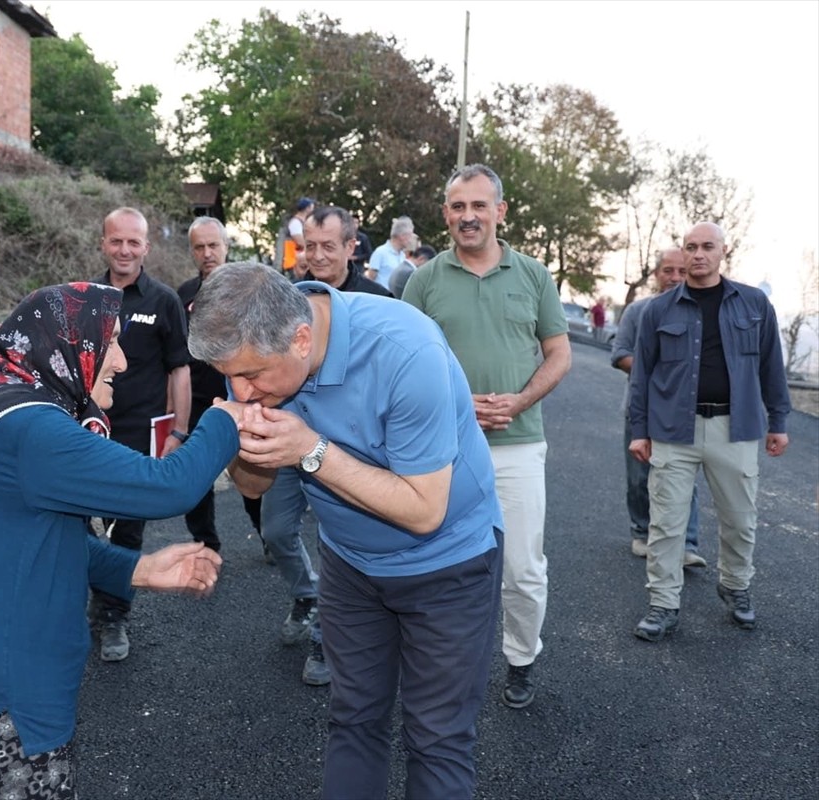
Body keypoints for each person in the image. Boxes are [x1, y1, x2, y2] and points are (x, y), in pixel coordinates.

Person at [0, 282, 240, 800]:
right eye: (112, 343)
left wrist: (136, 570)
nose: (122, 361)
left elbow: (19, 542)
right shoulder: (31, 429)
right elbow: (170, 485)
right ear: (68, 344)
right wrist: (226, 418)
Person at [190, 262, 503, 800]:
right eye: (231, 375)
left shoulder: (406, 351)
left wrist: (310, 451)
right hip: (350, 564)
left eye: (252, 377)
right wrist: (241, 439)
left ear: (302, 339)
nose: (241, 388)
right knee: (353, 719)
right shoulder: (252, 348)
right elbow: (253, 488)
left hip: (449, 563)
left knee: (437, 738)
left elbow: (425, 509)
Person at [401, 164, 570, 710]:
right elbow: (403, 359)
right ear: (446, 214)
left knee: (521, 568)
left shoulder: (534, 275)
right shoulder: (423, 281)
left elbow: (559, 353)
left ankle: (521, 659)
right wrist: (455, 404)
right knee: (436, 563)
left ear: (500, 211)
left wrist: (519, 401)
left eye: (478, 206)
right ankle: (442, 665)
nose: (467, 216)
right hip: (442, 447)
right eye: (457, 207)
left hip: (518, 444)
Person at [628, 222, 791, 642]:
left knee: (740, 519)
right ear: (682, 254)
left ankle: (736, 585)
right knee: (666, 523)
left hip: (734, 429)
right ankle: (663, 603)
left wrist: (779, 422)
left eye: (707, 247)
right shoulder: (658, 311)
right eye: (690, 248)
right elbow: (641, 375)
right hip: (672, 432)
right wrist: (639, 430)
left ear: (723, 251)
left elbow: (772, 366)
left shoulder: (754, 305)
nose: (698, 254)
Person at [266, 205, 391, 687]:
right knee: (276, 532)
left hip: (350, 450)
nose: (316, 256)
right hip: (288, 437)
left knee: (336, 541)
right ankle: (306, 593)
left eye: (327, 246)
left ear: (350, 247)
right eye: (308, 246)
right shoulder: (283, 299)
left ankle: (324, 636)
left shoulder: (379, 300)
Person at [90, 206, 192, 662]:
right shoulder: (83, 297)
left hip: (140, 434)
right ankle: (83, 596)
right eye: (117, 241)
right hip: (88, 430)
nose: (125, 250)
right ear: (103, 243)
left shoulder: (164, 301)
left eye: (134, 242)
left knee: (128, 528)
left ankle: (114, 615)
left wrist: (180, 431)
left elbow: (180, 370)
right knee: (76, 521)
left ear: (146, 247)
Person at [611, 248, 704, 566]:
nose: (675, 277)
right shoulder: (638, 311)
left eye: (681, 271)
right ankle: (641, 533)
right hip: (640, 408)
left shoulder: (699, 312)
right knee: (639, 476)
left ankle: (687, 543)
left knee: (684, 478)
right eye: (668, 271)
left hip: (684, 412)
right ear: (656, 274)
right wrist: (657, 372)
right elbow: (619, 353)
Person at [177, 216, 264, 554]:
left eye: (213, 245)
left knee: (252, 476)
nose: (207, 253)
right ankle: (206, 545)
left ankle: (269, 536)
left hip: (245, 398)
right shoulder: (183, 295)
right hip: (198, 401)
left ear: (227, 247)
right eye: (199, 247)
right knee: (197, 478)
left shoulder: (250, 290)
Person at [365, 215, 413, 290]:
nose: (411, 240)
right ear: (402, 236)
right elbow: (370, 279)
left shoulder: (403, 255)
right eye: (410, 236)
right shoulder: (380, 252)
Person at [276, 197, 315, 281]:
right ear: (307, 208)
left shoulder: (302, 222)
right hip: (294, 262)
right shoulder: (295, 223)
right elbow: (300, 242)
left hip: (301, 263)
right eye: (312, 206)